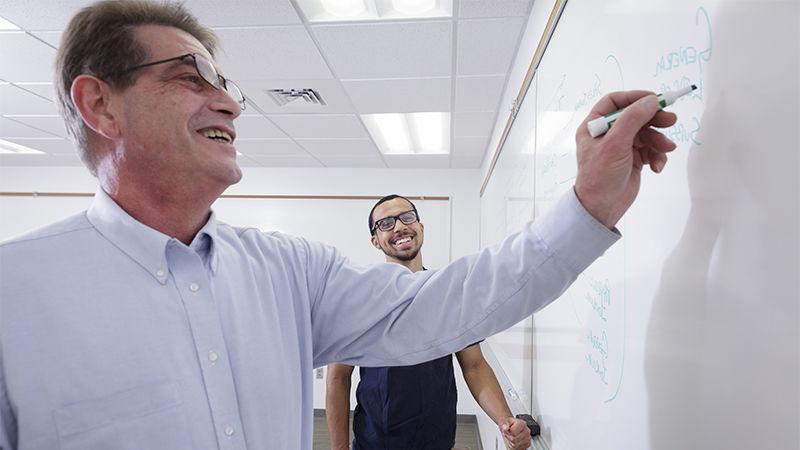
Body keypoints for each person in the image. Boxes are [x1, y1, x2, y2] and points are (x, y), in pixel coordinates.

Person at [0, 1, 678, 449]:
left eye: (226, 86)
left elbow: (452, 306)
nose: (230, 106)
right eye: (191, 78)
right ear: (100, 104)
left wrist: (588, 205)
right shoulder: (15, 297)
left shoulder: (291, 272)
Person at [326, 195, 531, 450]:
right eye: (386, 223)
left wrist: (505, 420)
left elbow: (475, 365)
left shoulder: (448, 294)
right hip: (375, 444)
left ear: (420, 227)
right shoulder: (359, 300)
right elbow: (338, 378)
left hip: (437, 441)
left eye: (407, 217)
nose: (399, 226)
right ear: (375, 241)